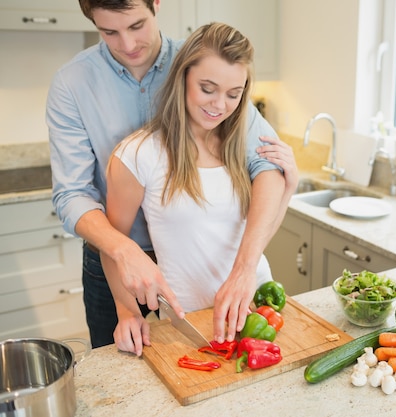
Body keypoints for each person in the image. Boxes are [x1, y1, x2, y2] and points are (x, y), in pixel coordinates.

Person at [46, 0, 297, 349]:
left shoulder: (201, 59)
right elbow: (71, 195)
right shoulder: (72, 84)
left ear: (157, 4)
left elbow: (266, 163)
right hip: (115, 256)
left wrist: (245, 269)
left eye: (136, 26)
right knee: (122, 362)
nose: (129, 45)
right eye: (109, 32)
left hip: (192, 267)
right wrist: (122, 251)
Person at [104, 22, 286, 355]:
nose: (220, 105)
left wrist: (291, 185)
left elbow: (263, 229)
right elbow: (113, 247)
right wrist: (127, 311)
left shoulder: (243, 145)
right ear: (183, 76)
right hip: (187, 325)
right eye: (208, 88)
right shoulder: (138, 154)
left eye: (234, 94)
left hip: (258, 311)